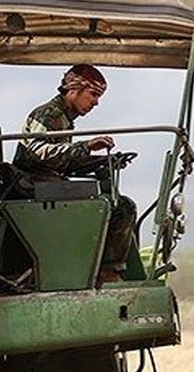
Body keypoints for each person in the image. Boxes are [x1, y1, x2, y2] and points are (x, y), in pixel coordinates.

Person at [13, 64, 137, 283]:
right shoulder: (48, 114)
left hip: (49, 185)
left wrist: (102, 160)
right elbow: (38, 152)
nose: (96, 102)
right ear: (74, 89)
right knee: (120, 208)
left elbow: (63, 161)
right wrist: (87, 146)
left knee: (119, 204)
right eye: (93, 94)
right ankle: (107, 272)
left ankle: (102, 269)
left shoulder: (65, 119)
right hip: (33, 188)